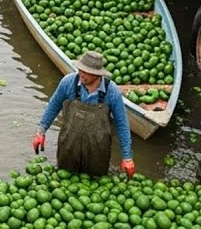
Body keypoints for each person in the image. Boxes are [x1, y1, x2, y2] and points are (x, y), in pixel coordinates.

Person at [31, 51, 135, 179]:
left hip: (97, 149)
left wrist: (127, 158)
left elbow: (122, 124)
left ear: (97, 74)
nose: (81, 74)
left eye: (86, 72)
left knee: (97, 180)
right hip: (69, 144)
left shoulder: (112, 91)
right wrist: (40, 132)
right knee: (65, 178)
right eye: (80, 70)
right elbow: (53, 106)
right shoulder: (68, 82)